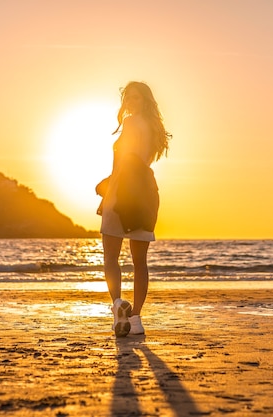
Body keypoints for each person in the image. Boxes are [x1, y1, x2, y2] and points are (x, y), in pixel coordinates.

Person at [96, 81, 171, 337]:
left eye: (135, 98)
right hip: (146, 192)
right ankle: (136, 319)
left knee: (110, 257)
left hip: (122, 191)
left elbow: (124, 163)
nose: (130, 103)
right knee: (140, 262)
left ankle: (117, 303)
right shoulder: (156, 129)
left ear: (145, 100)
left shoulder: (129, 123)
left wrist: (108, 194)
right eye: (128, 98)